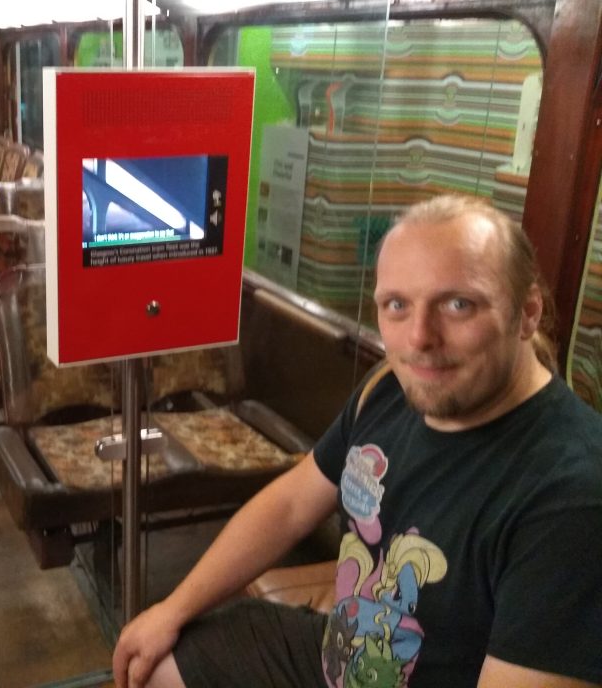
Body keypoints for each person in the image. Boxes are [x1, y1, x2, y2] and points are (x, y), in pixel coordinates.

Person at [112, 194, 602, 688]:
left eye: (459, 305)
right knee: (157, 665)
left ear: (528, 312)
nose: (419, 338)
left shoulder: (571, 492)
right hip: (345, 650)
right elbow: (289, 506)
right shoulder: (389, 390)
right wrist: (171, 609)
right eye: (397, 305)